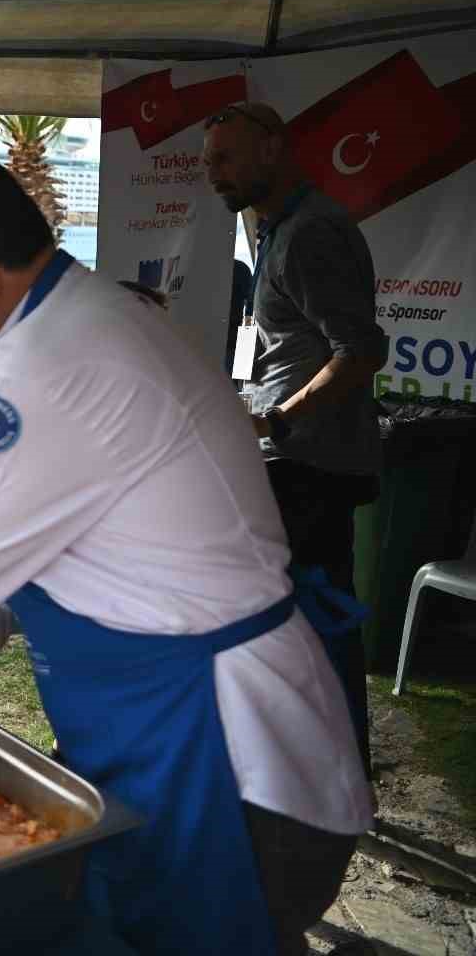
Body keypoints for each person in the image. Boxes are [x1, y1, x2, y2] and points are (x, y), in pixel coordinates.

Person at [0, 146, 371, 956]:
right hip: (189, 723)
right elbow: (121, 530)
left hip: (222, 757)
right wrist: (2, 611)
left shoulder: (36, 369)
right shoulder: (95, 316)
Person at [203, 101, 385, 770]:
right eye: (206, 161)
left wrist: (280, 417)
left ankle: (334, 768)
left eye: (225, 158)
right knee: (299, 614)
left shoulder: (310, 233)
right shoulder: (277, 229)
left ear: (273, 149)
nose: (211, 173)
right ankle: (321, 760)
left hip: (311, 462)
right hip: (290, 455)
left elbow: (361, 349)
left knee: (314, 614)